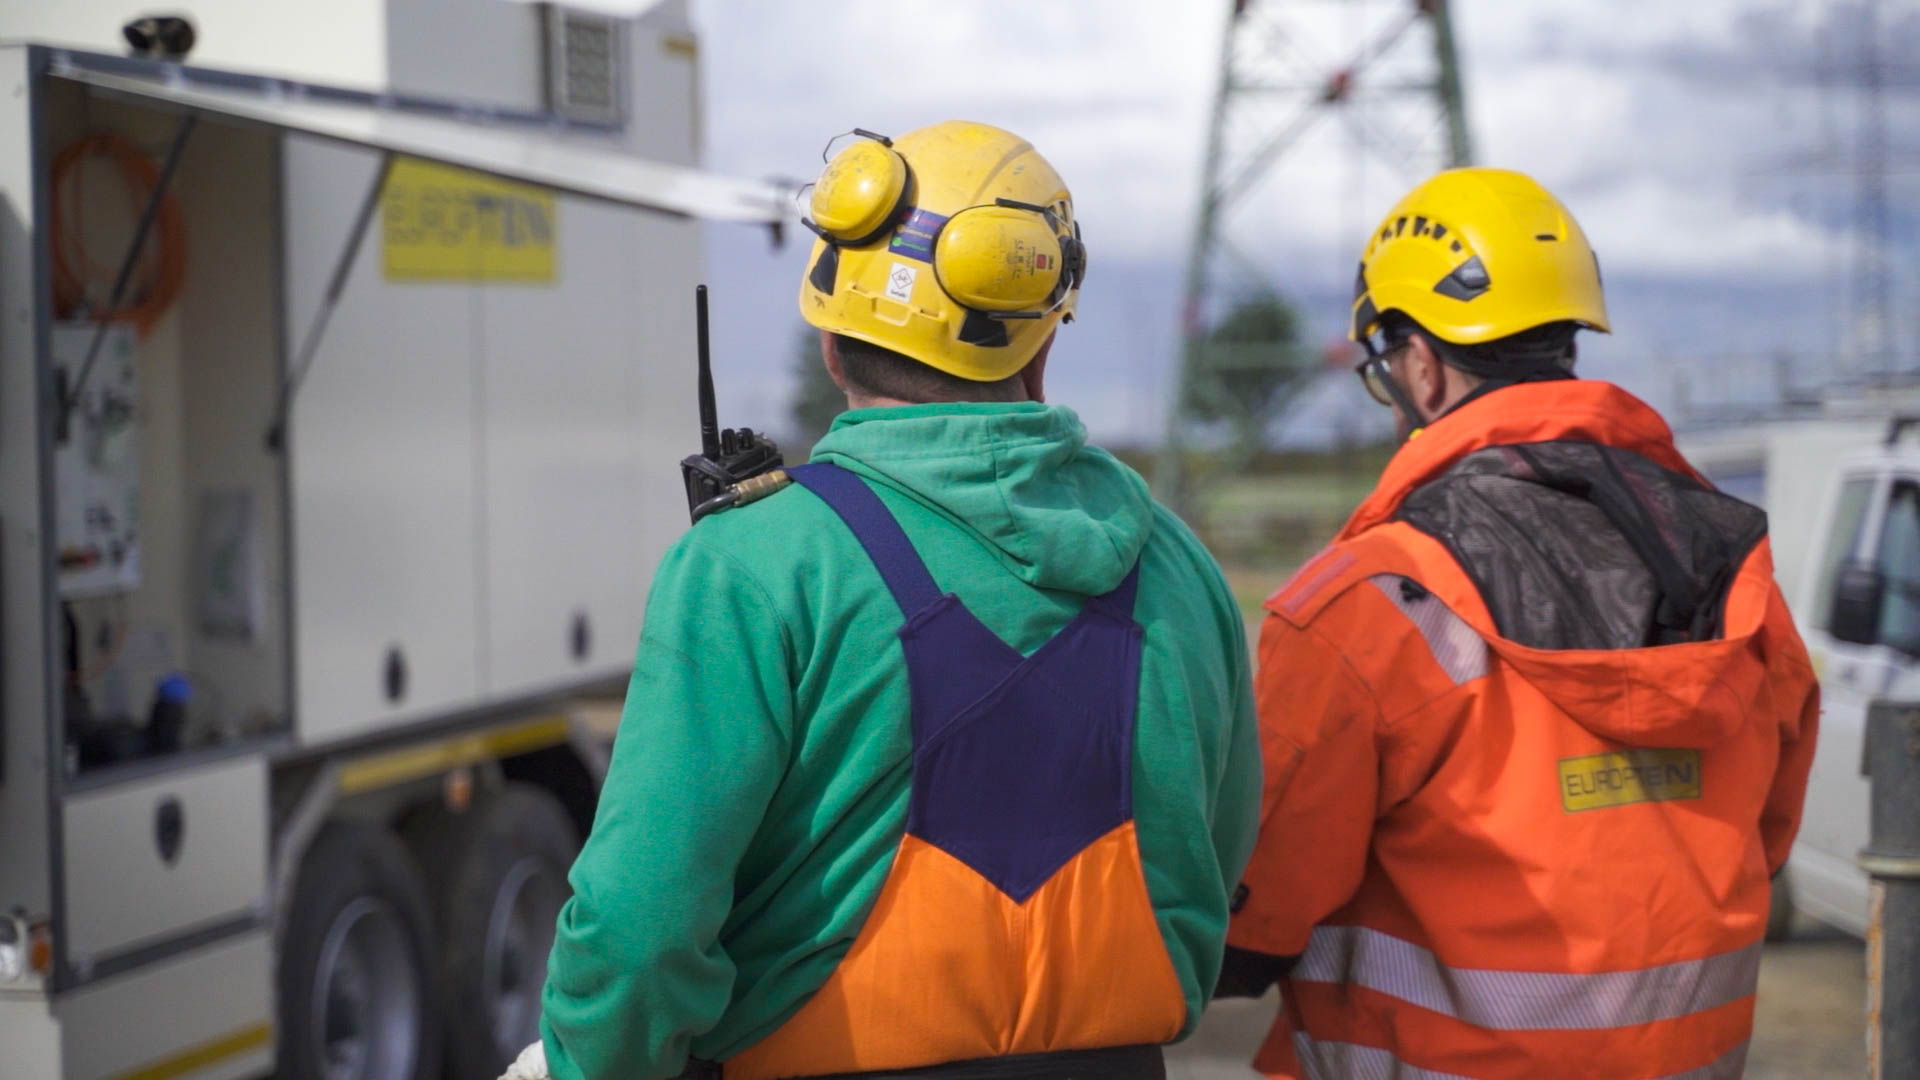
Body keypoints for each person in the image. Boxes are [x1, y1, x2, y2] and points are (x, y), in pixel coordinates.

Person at [524, 120, 1261, 1080]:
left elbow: (639, 920)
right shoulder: (1181, 572)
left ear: (832, 342)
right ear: (1040, 348)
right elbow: (1223, 847)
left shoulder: (752, 565)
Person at [1218, 168, 1819, 1080]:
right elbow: (1765, 841)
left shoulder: (1368, 602)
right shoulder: (1733, 570)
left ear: (1420, 364)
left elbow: (1257, 915)